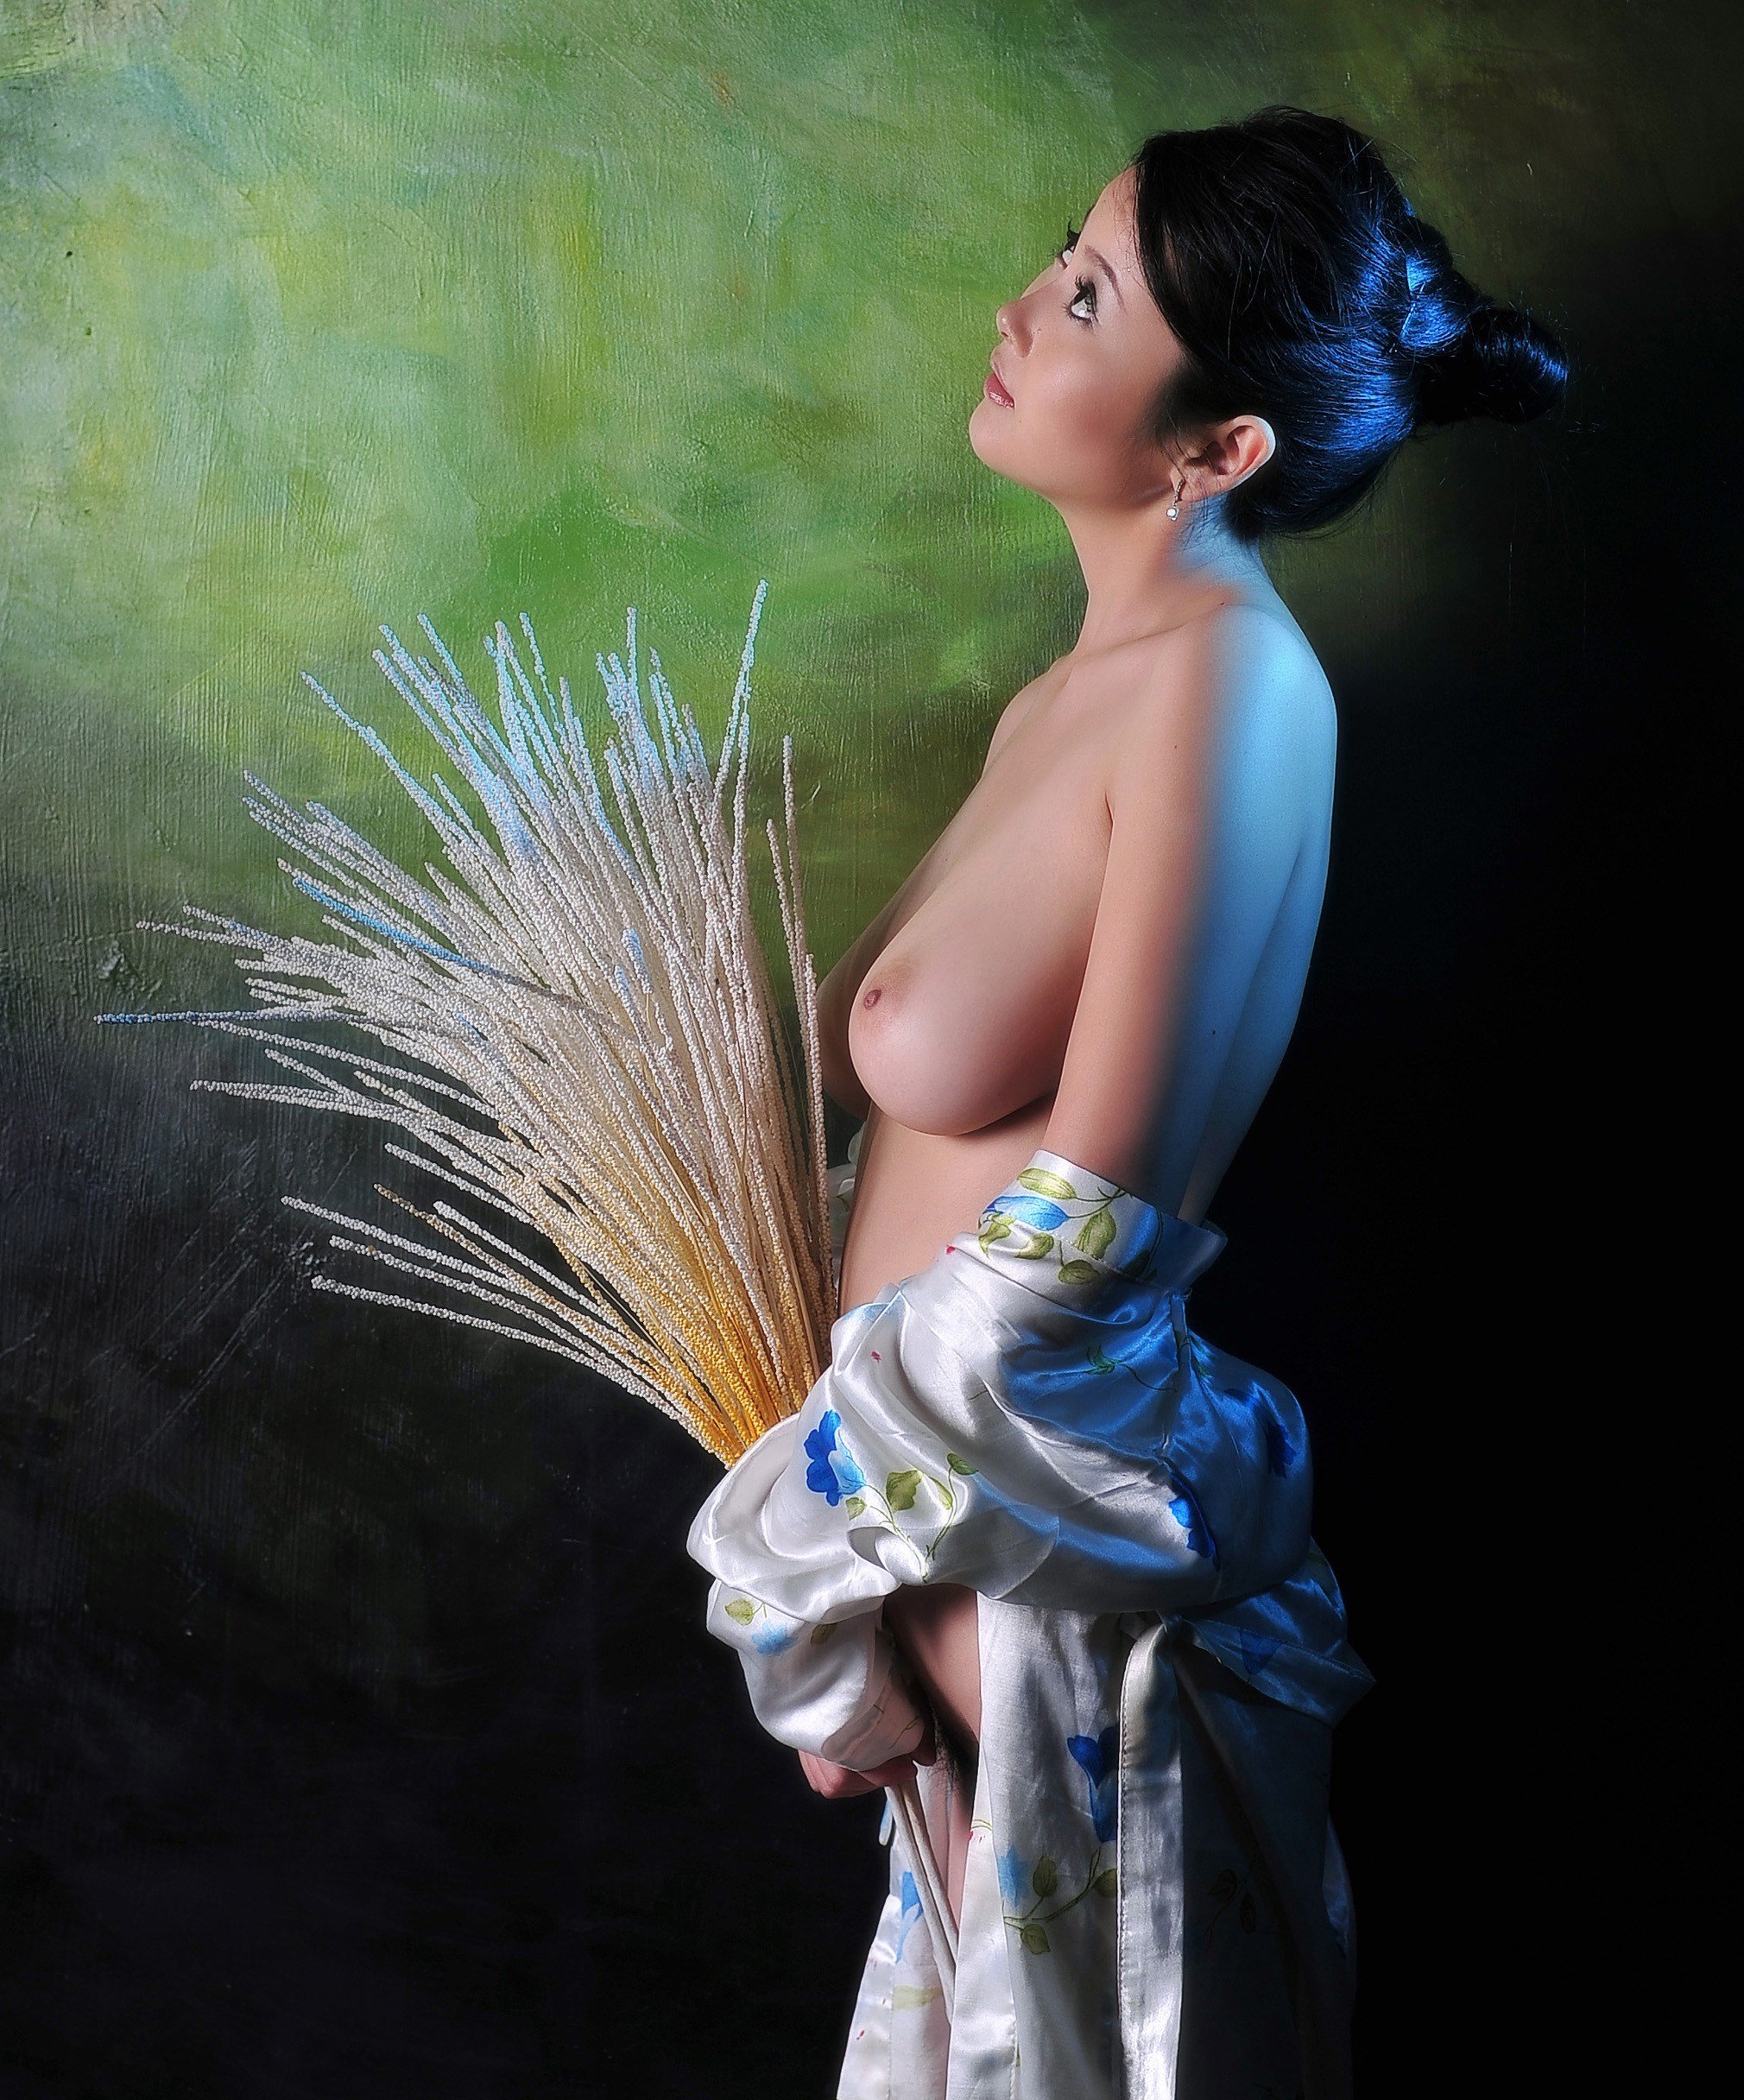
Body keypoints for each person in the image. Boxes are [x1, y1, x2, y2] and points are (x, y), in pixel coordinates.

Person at [690, 105, 1568, 2098]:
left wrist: (802, 1551)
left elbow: (1081, 1230)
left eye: (1085, 297)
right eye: (1059, 257)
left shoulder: (1229, 689)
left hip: (1058, 1633)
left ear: (1219, 446)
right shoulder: (1062, 697)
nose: (1016, 308)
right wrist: (838, 1585)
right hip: (934, 1589)